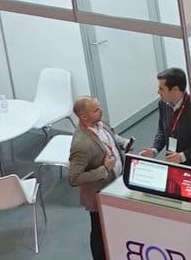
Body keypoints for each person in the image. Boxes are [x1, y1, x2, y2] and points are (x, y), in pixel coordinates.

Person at [68, 96, 126, 260]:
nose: (101, 111)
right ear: (83, 116)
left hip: (116, 185)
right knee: (99, 232)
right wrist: (104, 169)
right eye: (96, 110)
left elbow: (112, 137)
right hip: (99, 196)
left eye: (99, 107)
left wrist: (124, 143)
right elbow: (74, 178)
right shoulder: (81, 144)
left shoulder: (100, 122)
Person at [148, 66, 191, 168]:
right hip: (172, 162)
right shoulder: (163, 104)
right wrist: (154, 150)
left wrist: (182, 156)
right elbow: (162, 129)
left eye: (161, 89)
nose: (158, 92)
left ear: (175, 89)